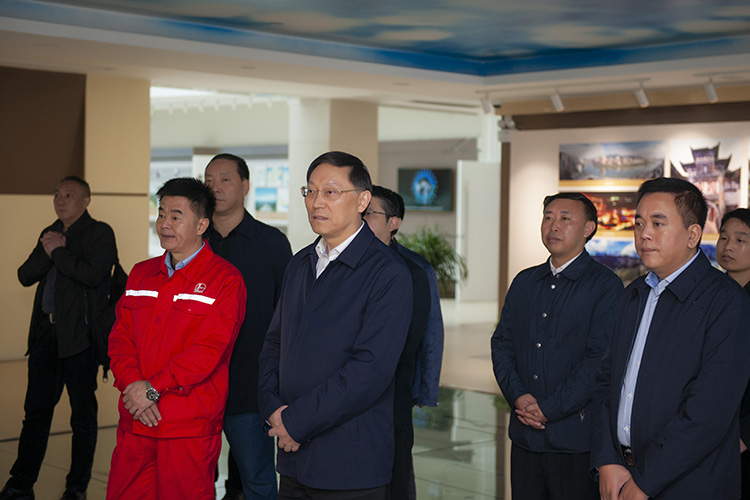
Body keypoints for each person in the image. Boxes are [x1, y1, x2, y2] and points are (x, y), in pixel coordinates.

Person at [258, 151, 413, 499]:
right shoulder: (300, 263)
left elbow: (369, 370)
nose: (317, 202)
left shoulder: (387, 272)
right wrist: (273, 410)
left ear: (362, 201)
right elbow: (274, 344)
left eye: (330, 192)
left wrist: (295, 422)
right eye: (310, 191)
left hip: (349, 461)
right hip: (292, 455)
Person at [592, 177, 750, 500]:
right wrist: (606, 458)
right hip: (622, 475)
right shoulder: (633, 294)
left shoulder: (727, 302)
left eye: (658, 223)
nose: (644, 234)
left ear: (693, 235)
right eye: (639, 223)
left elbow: (708, 412)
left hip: (689, 483)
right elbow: (606, 382)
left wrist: (645, 481)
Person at [106, 177, 246, 500]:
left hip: (186, 427)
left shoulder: (225, 280)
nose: (164, 224)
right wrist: (134, 388)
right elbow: (120, 338)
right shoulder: (141, 273)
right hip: (137, 419)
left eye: (176, 216)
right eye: (161, 214)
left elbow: (208, 351)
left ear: (201, 225)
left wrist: (152, 389)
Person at [491, 192, 623, 500]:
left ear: (588, 228)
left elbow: (599, 360)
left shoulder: (605, 286)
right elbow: (502, 343)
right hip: (524, 435)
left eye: (565, 218)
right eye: (548, 217)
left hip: (574, 440)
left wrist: (549, 409)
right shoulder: (524, 281)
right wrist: (518, 396)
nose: (553, 226)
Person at [0, 176, 117, 500]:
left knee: (82, 418)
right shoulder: (50, 232)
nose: (61, 200)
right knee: (35, 414)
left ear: (86, 201)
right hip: (45, 336)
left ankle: (76, 488)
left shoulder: (100, 233)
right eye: (57, 195)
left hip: (80, 339)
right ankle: (21, 483)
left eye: (69, 195)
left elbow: (91, 275)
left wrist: (59, 252)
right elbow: (25, 275)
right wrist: (48, 248)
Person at [204, 153, 293, 500]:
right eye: (209, 180)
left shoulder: (271, 243)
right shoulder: (194, 242)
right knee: (193, 477)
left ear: (245, 186)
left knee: (257, 478)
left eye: (224, 179)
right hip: (197, 384)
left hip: (251, 385)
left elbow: (287, 315)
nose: (215, 187)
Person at [364, 185, 431, 500]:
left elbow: (413, 341)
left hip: (390, 396)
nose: (362, 219)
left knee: (394, 478)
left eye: (370, 213)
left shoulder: (412, 273)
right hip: (344, 401)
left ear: (394, 223)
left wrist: (426, 388)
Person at [716, 208, 750, 499]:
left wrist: (745, 435)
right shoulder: (709, 295)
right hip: (706, 430)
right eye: (723, 237)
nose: (728, 246)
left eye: (741, 240)